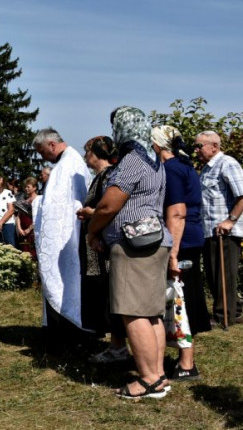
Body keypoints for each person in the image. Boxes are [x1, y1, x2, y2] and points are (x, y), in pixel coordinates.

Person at [89, 106, 172, 399]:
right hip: (155, 241)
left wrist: (92, 230)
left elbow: (109, 205)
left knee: (132, 312)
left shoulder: (132, 161)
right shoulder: (154, 159)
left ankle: (148, 379)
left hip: (134, 245)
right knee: (151, 313)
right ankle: (158, 375)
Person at [152, 125, 210, 380]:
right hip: (191, 237)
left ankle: (187, 364)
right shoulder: (185, 165)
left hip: (182, 240)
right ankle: (183, 358)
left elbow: (177, 212)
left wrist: (173, 253)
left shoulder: (172, 169)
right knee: (183, 297)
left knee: (180, 300)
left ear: (157, 145)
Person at [32, 127, 91, 351]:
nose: (42, 157)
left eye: (42, 152)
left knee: (65, 283)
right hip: (71, 234)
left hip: (65, 238)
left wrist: (37, 206)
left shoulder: (66, 165)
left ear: (52, 145)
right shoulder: (70, 161)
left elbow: (55, 208)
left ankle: (68, 332)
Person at [75, 136, 125, 359]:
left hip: (102, 247)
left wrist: (89, 214)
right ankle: (111, 340)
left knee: (107, 293)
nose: (86, 157)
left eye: (88, 152)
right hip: (95, 244)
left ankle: (117, 344)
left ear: (96, 153)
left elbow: (111, 209)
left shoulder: (109, 176)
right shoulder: (99, 177)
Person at [195, 130, 243, 327]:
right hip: (210, 230)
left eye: (199, 146)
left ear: (214, 146)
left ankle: (222, 315)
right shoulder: (208, 168)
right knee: (214, 273)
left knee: (223, 273)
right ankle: (233, 312)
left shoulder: (227, 163)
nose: (196, 150)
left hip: (225, 231)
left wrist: (230, 220)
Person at [14, 177, 38, 259]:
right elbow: (18, 216)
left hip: (33, 232)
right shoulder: (24, 201)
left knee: (33, 254)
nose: (26, 188)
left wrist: (29, 229)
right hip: (23, 232)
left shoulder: (38, 200)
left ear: (34, 188)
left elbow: (38, 217)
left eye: (28, 187)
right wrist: (20, 229)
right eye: (25, 187)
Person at [0, 176, 16, 246]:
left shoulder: (8, 193)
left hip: (7, 224)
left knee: (10, 247)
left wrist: (1, 223)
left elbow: (11, 210)